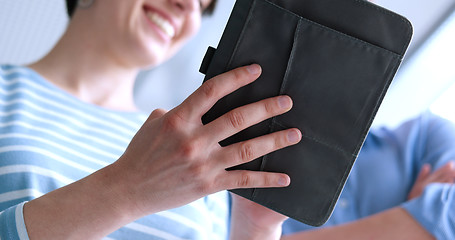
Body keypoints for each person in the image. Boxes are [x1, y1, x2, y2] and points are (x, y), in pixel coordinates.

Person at [0, 0, 303, 239]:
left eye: (202, 4)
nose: (187, 5)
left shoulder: (195, 154)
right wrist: (128, 188)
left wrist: (254, 230)